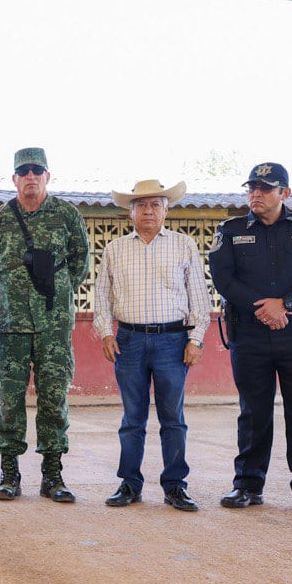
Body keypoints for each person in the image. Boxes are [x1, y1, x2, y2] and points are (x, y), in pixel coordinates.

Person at [209, 162, 292, 516]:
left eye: (266, 188)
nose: (256, 194)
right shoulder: (231, 230)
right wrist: (263, 309)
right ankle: (248, 485)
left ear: (285, 193)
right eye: (252, 187)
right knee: (253, 412)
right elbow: (224, 278)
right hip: (250, 333)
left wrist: (286, 304)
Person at [0, 147, 90, 503]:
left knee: (54, 398)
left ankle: (52, 476)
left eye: (36, 170)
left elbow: (80, 264)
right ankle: (9, 474)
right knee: (8, 400)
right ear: (13, 178)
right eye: (23, 171)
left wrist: (54, 295)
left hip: (54, 326)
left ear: (47, 176)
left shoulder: (67, 215)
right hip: (8, 325)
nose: (30, 176)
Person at [94, 180, 209, 512]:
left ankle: (175, 486)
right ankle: (130, 483)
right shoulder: (115, 248)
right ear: (130, 212)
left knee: (173, 417)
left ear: (166, 209)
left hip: (173, 341)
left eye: (155, 205)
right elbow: (101, 295)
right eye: (141, 205)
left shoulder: (183, 245)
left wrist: (195, 340)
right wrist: (105, 332)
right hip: (128, 340)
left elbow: (198, 297)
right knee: (133, 418)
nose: (148, 211)